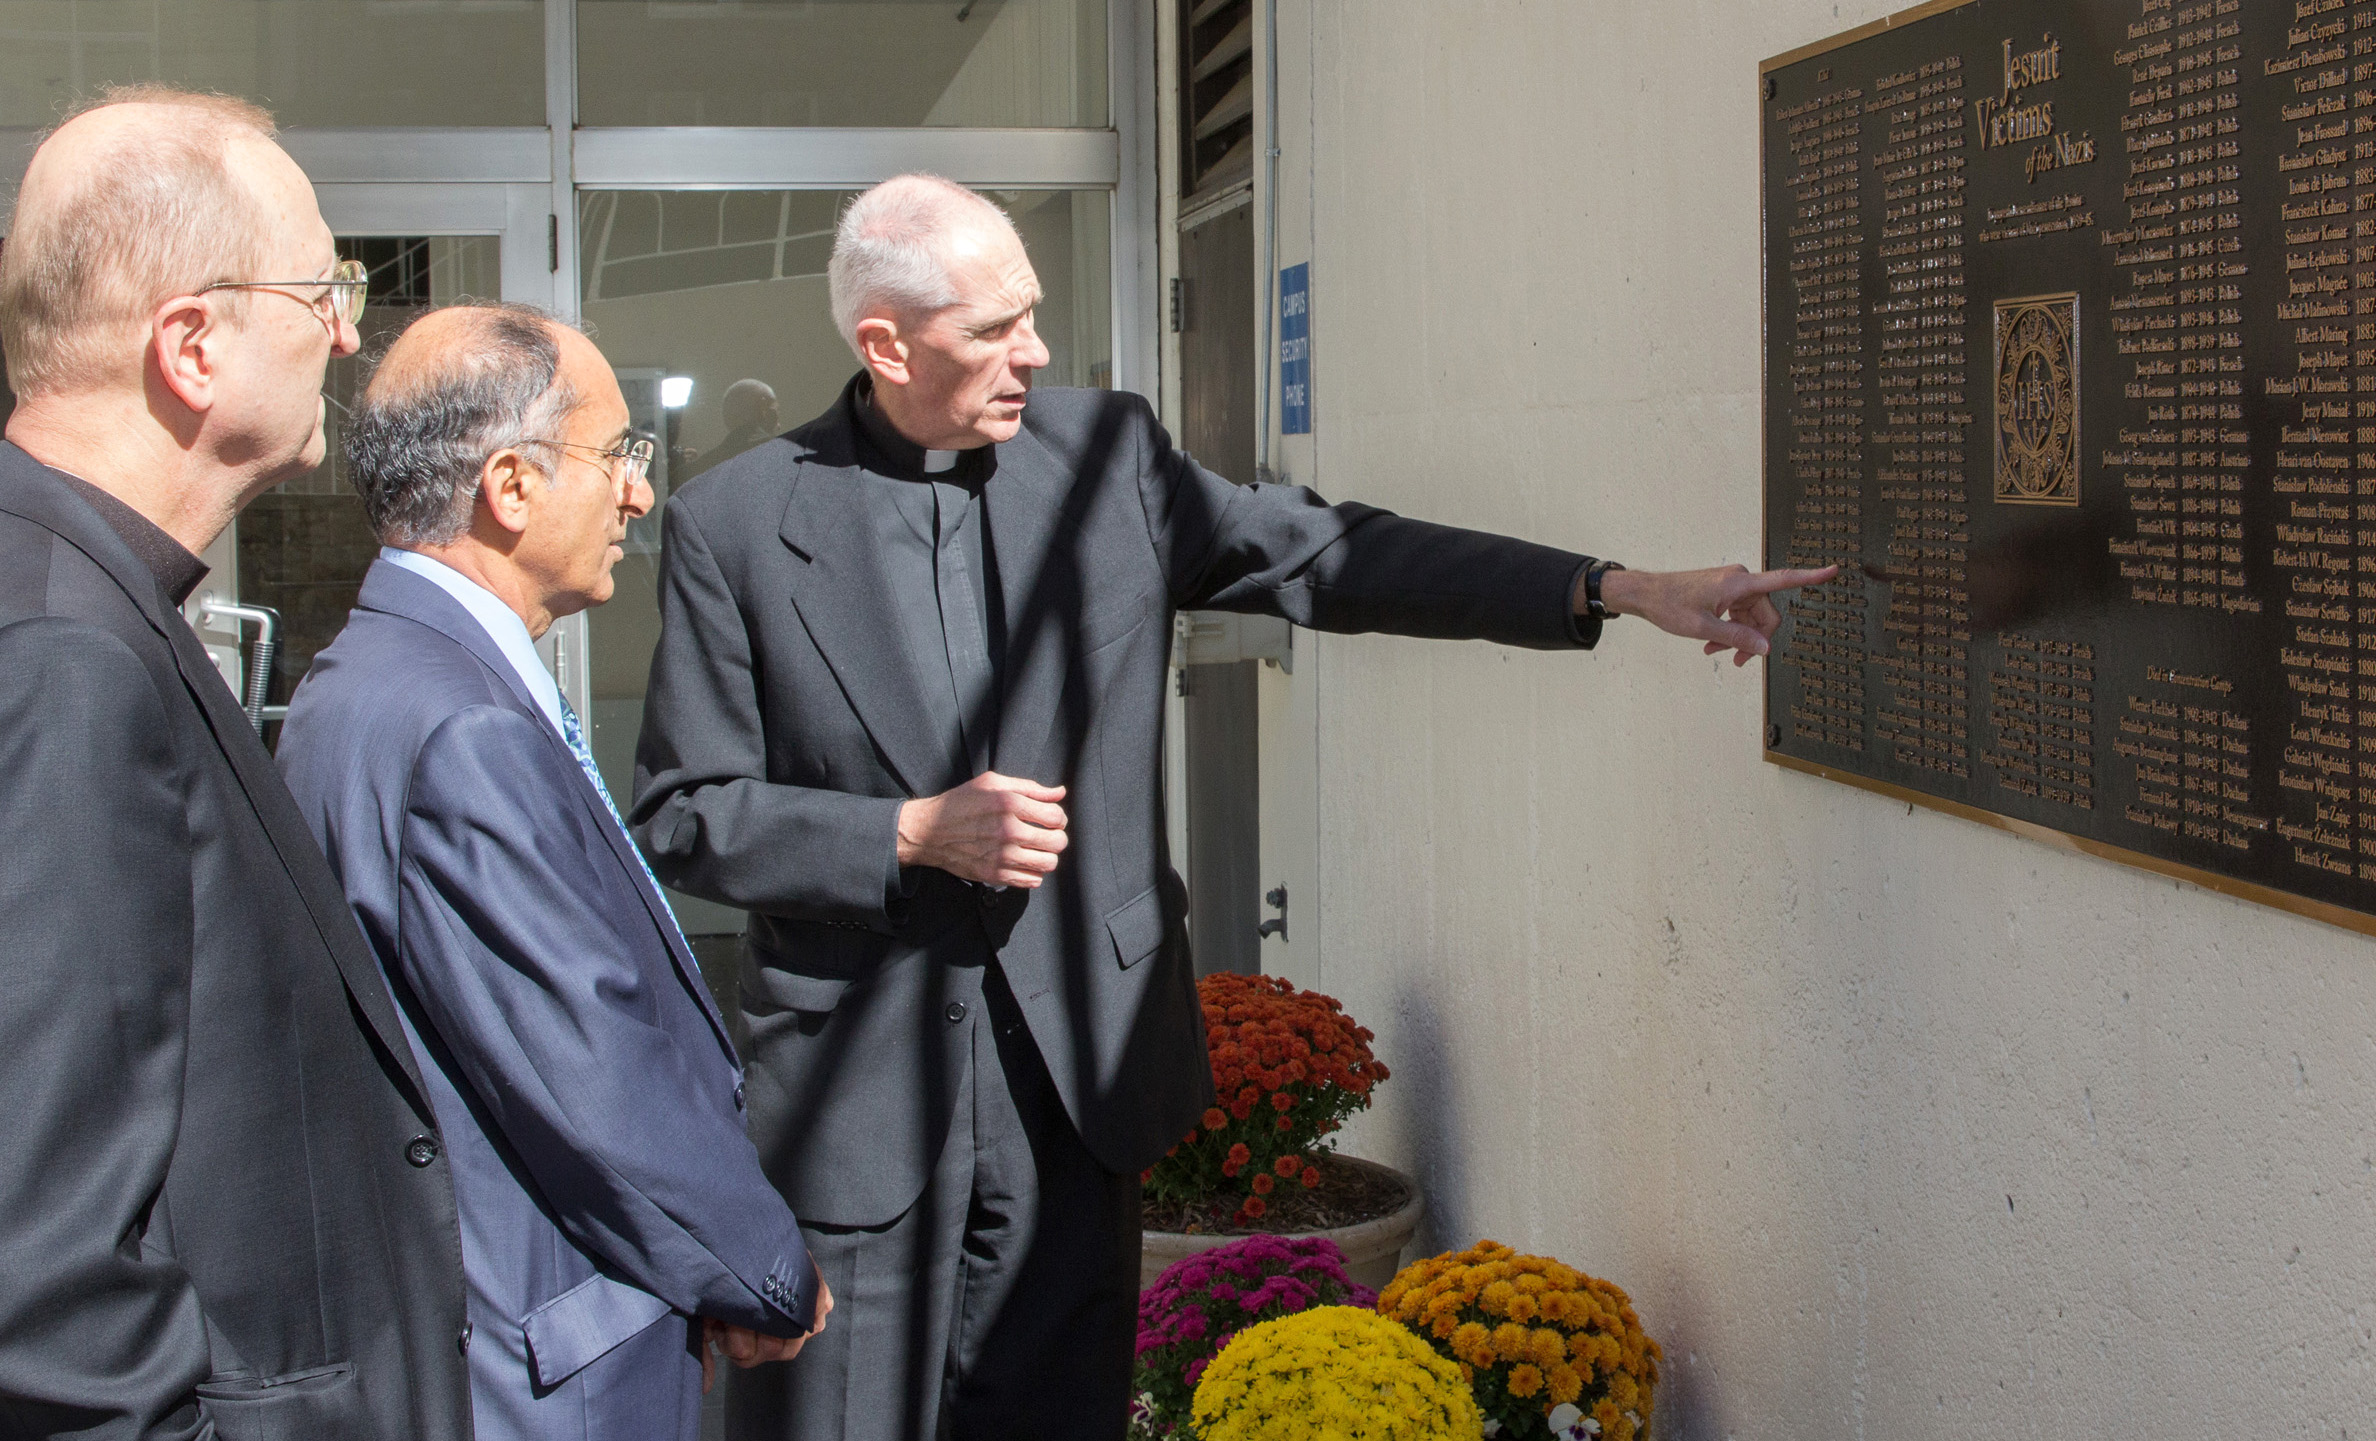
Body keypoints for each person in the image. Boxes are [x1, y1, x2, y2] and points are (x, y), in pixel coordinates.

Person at [630, 173, 1834, 1440]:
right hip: (856, 1112)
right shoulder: (739, 524)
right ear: (884, 343)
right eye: (993, 330)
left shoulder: (1105, 456)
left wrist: (1609, 587)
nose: (1032, 351)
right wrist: (908, 834)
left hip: (1078, 1088)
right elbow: (684, 810)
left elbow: (1330, 553)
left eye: (1033, 313)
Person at [0, 88, 471, 1437]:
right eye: (322, 284)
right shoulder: (58, 652)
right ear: (191, 343)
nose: (347, 325)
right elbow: (40, 1267)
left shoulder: (97, 603)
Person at [275, 304, 832, 1441]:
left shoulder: (368, 678)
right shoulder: (456, 722)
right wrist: (759, 1264)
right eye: (620, 455)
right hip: (549, 1357)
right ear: (512, 486)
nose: (639, 494)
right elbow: (590, 1057)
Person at [693, 377, 782, 475]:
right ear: (763, 407)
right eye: (776, 410)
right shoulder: (786, 456)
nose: (779, 426)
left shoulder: (697, 470)